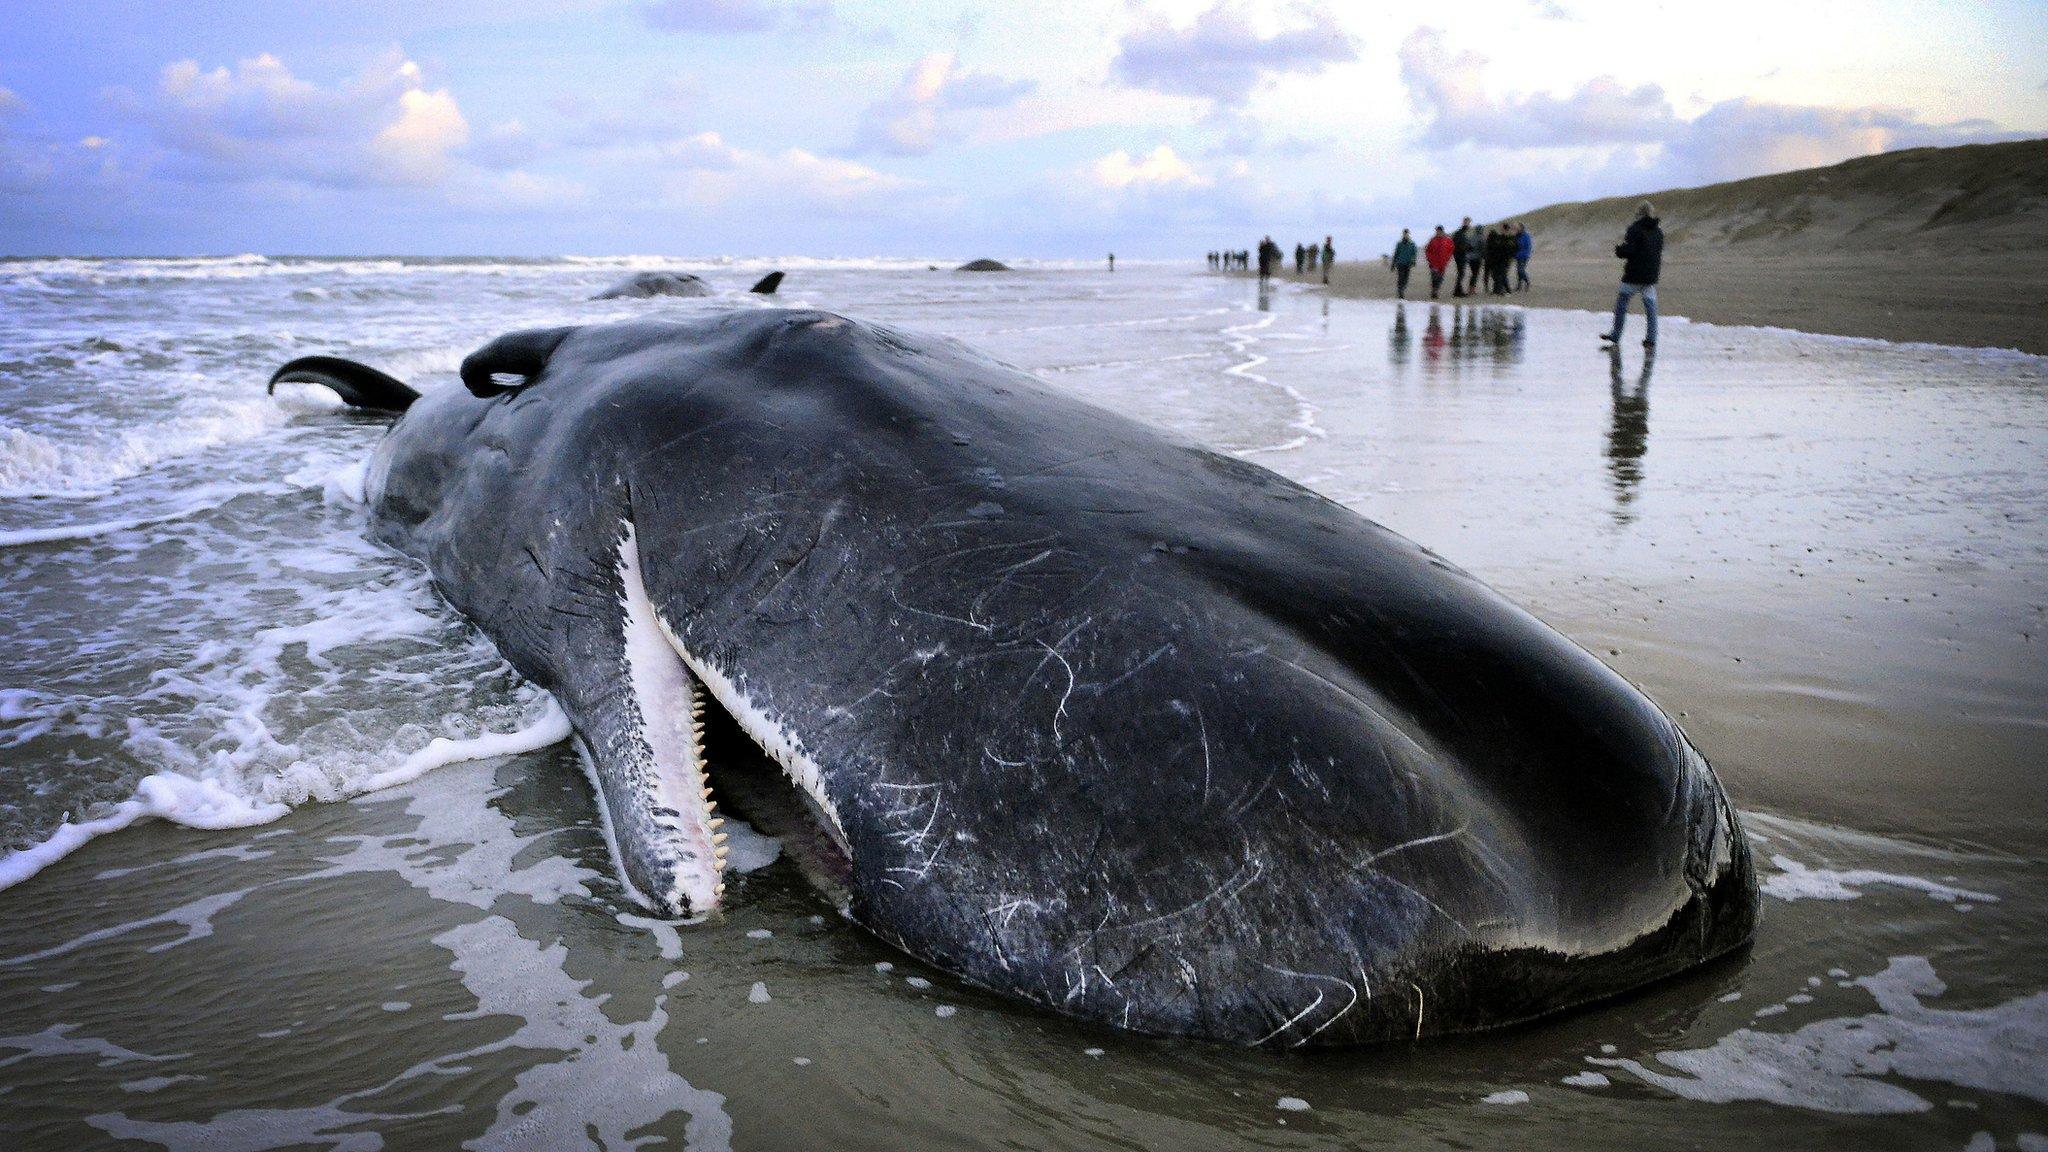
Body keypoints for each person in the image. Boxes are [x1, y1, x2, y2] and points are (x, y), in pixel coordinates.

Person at [1602, 201, 1664, 347]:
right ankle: (1651, 339)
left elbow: (1630, 250)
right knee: (1650, 308)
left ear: (1639, 213)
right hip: (1650, 276)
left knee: (1621, 304)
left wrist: (1619, 250)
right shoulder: (1658, 232)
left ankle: (1616, 335)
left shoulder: (1634, 229)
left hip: (1633, 275)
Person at [1423, 225, 1452, 299]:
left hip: (1442, 263)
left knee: (1440, 278)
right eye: (1437, 231)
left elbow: (1451, 250)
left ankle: (1436, 290)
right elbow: (1427, 250)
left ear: (1442, 231)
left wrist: (1447, 259)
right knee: (1434, 277)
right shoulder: (1432, 240)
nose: (1438, 232)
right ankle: (1434, 291)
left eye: (1439, 231)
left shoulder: (1447, 240)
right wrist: (1429, 259)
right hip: (1433, 263)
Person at [1391, 229, 1417, 299]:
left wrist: (1414, 261)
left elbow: (1414, 254)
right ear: (1403, 235)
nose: (1406, 235)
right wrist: (1393, 264)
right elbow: (1396, 254)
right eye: (1404, 234)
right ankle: (1400, 291)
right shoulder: (1399, 244)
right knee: (1401, 277)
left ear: (1408, 234)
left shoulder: (1412, 244)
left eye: (1407, 234)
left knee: (1406, 279)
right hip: (1400, 263)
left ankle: (1402, 289)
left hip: (1408, 264)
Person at [1451, 217, 1473, 296]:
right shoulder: (1460, 233)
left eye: (1469, 223)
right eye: (1467, 223)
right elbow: (1458, 245)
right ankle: (1457, 291)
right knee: (1461, 273)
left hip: (1461, 255)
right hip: (1459, 256)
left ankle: (1458, 290)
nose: (1469, 225)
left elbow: (1464, 245)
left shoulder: (1463, 233)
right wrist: (1467, 248)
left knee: (1461, 273)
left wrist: (1469, 247)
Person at [1514, 223, 1532, 290]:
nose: (1516, 229)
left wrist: (1526, 253)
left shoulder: (1526, 236)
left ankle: (1527, 282)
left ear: (1521, 228)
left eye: (1517, 227)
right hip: (1518, 256)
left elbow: (1528, 246)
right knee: (1518, 271)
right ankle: (1519, 285)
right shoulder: (1516, 236)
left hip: (1524, 255)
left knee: (1520, 270)